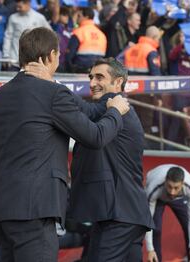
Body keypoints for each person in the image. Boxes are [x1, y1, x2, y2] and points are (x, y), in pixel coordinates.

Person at [0, 27, 130, 262]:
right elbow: (95, 137)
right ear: (51, 56)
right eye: (58, 55)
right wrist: (115, 113)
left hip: (1, 211)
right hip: (37, 210)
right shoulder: (53, 94)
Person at [65, 58, 153, 262]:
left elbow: (83, 110)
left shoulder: (113, 104)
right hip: (127, 214)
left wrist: (51, 85)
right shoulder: (111, 113)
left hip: (119, 215)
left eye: (99, 77)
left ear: (118, 82)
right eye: (90, 77)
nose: (92, 83)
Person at [145, 164, 190, 262]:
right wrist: (150, 249)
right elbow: (147, 220)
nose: (172, 192)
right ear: (165, 180)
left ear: (183, 183)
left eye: (176, 188)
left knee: (188, 224)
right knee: (156, 228)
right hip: (158, 197)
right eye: (169, 186)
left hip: (179, 198)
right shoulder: (154, 188)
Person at [2, 0, 50, 70]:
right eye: (17, 6)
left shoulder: (39, 18)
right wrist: (6, 55)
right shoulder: (13, 18)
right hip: (15, 61)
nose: (17, 9)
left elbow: (49, 35)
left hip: (33, 62)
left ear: (28, 3)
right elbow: (8, 37)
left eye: (20, 7)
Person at [65, 7, 107, 73]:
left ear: (86, 17)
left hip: (79, 71)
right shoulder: (101, 34)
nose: (77, 18)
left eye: (79, 16)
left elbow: (69, 57)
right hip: (97, 71)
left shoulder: (78, 32)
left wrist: (70, 70)